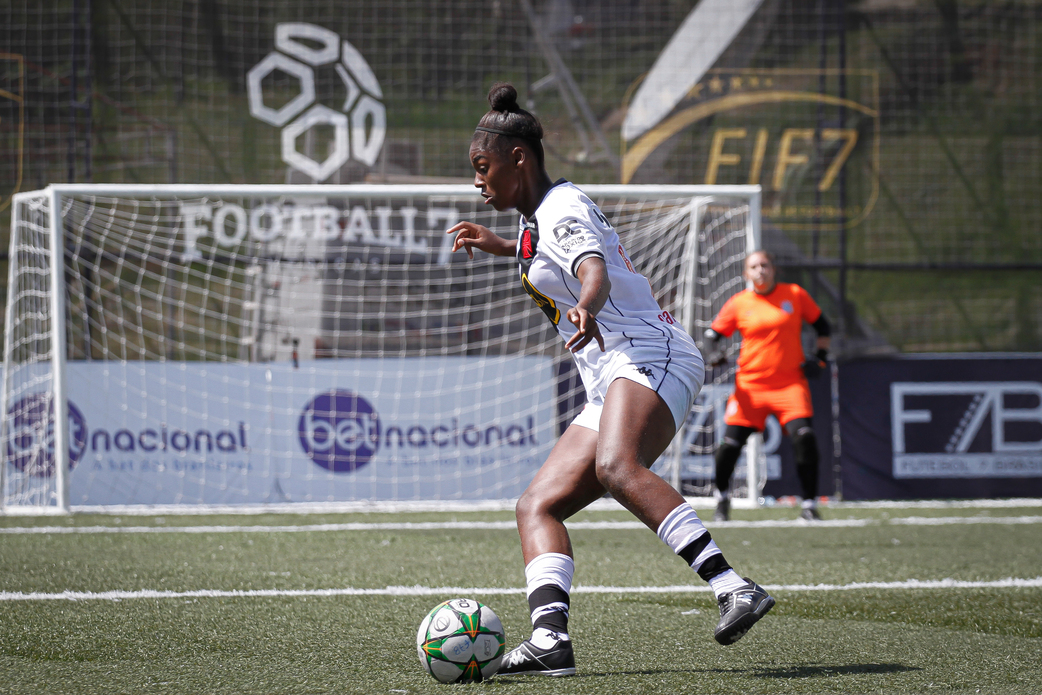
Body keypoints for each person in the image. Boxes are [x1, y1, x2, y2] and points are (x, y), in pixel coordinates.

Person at [447, 82, 775, 678]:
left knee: (616, 467)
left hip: (651, 351)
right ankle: (550, 641)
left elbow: (589, 268)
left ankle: (733, 587)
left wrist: (588, 304)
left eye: (482, 167)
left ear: (518, 158)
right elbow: (539, 247)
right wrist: (497, 245)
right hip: (611, 370)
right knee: (536, 505)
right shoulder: (542, 213)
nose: (477, 180)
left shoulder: (561, 209)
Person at [702, 250, 831, 523]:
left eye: (765, 265)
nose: (760, 270)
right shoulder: (739, 303)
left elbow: (823, 326)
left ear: (774, 270)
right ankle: (722, 499)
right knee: (729, 446)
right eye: (754, 267)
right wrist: (713, 354)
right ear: (746, 274)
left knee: (805, 438)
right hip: (750, 387)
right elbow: (712, 336)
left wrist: (819, 360)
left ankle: (809, 505)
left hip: (790, 385)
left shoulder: (794, 295)